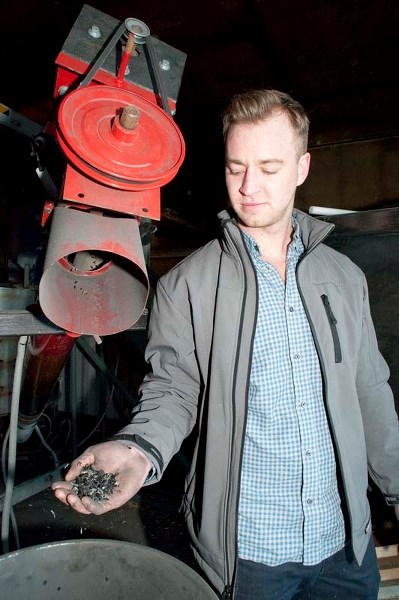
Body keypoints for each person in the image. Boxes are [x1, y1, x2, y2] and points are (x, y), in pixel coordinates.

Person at [52, 89, 399, 599]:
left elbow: (371, 393)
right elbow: (174, 390)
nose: (249, 186)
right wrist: (138, 448)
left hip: (343, 545)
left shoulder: (343, 277)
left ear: (302, 167)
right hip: (251, 555)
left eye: (269, 166)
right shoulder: (186, 285)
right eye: (236, 167)